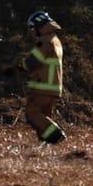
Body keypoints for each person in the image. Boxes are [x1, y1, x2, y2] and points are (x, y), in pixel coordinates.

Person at [18, 10, 66, 145]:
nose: (32, 32)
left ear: (39, 27)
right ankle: (46, 143)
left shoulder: (45, 41)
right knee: (44, 118)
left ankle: (57, 135)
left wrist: (19, 67)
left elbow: (33, 61)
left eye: (33, 29)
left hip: (43, 86)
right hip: (53, 86)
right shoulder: (55, 40)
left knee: (32, 113)